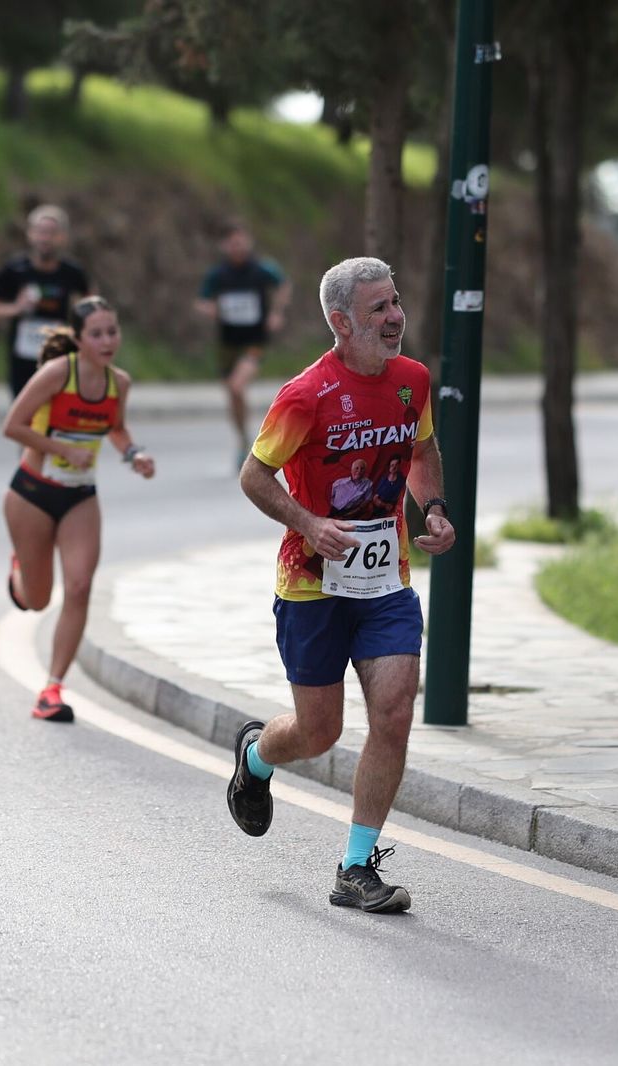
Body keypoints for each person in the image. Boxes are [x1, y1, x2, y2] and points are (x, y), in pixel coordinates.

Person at [229, 256, 455, 914]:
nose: (395, 317)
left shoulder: (413, 380)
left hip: (385, 584)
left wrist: (434, 509)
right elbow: (253, 476)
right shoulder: (306, 396)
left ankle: (356, 867)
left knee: (394, 713)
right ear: (341, 322)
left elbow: (421, 451)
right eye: (378, 308)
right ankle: (256, 756)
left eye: (396, 302)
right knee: (318, 732)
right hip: (313, 586)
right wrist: (308, 522)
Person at [1, 296, 155, 722]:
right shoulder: (57, 374)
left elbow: (116, 429)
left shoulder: (118, 383)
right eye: (97, 334)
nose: (107, 341)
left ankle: (52, 688)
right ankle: (21, 569)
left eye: (113, 332)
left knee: (80, 585)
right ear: (79, 339)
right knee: (36, 600)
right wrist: (61, 449)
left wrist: (134, 454)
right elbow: (12, 426)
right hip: (32, 493)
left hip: (80, 496)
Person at [193, 221, 291, 466]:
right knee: (233, 394)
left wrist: (276, 312)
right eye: (232, 243)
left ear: (249, 242)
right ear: (224, 245)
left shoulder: (262, 270)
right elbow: (201, 301)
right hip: (228, 342)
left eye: (241, 241)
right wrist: (210, 308)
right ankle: (242, 439)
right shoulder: (218, 274)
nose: (237, 247)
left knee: (237, 386)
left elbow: (283, 285)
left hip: (254, 339)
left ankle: (256, 441)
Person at [0, 204, 93, 399]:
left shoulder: (73, 273)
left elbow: (94, 311)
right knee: (24, 412)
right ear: (30, 234)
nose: (45, 238)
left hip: (59, 357)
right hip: (22, 359)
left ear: (63, 237)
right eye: (40, 232)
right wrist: (16, 308)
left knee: (56, 412)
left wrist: (78, 322)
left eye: (51, 233)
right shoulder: (15, 269)